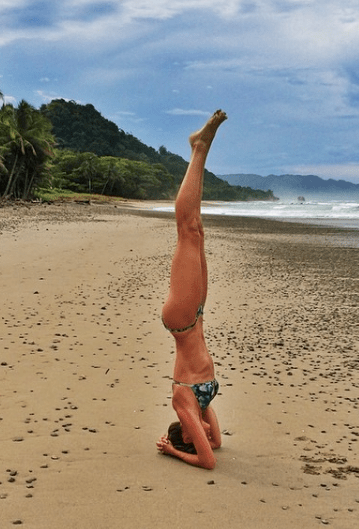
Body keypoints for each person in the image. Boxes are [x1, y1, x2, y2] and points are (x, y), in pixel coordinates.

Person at [156, 109, 227, 469]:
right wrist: (200, 433)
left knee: (188, 229)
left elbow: (208, 459)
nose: (203, 427)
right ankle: (199, 147)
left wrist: (172, 450)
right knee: (198, 235)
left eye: (193, 429)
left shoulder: (184, 403)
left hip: (182, 320)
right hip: (197, 315)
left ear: (186, 429)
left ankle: (199, 148)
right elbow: (215, 443)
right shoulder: (203, 403)